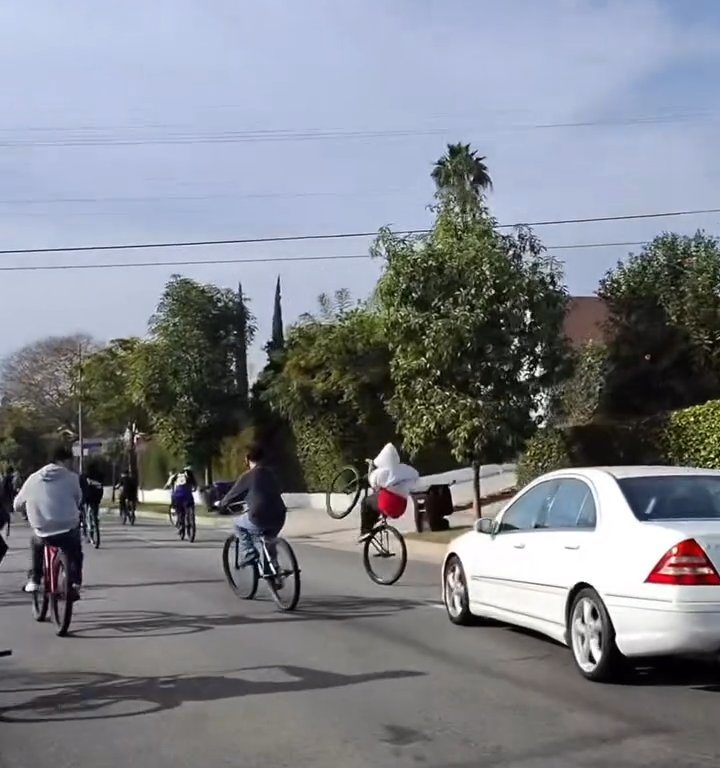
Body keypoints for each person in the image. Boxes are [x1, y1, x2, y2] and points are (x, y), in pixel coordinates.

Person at [13, 446, 83, 596]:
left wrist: (28, 510)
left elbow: (17, 505)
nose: (71, 465)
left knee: (36, 543)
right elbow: (78, 499)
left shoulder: (33, 478)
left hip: (43, 529)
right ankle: (75, 582)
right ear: (61, 461)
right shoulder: (72, 477)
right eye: (70, 461)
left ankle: (35, 579)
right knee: (74, 548)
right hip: (67, 528)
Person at [220, 443, 286, 567]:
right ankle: (272, 571)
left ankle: (249, 553)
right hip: (279, 516)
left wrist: (221, 505)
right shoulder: (271, 473)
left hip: (259, 516)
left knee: (238, 525)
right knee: (269, 539)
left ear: (247, 459)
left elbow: (232, 495)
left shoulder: (248, 476)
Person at [359, 443, 419, 541]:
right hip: (401, 507)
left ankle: (364, 531)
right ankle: (374, 521)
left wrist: (371, 467)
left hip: (387, 504)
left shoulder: (381, 473)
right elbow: (416, 475)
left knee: (365, 502)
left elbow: (372, 482)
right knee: (377, 498)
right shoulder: (405, 469)